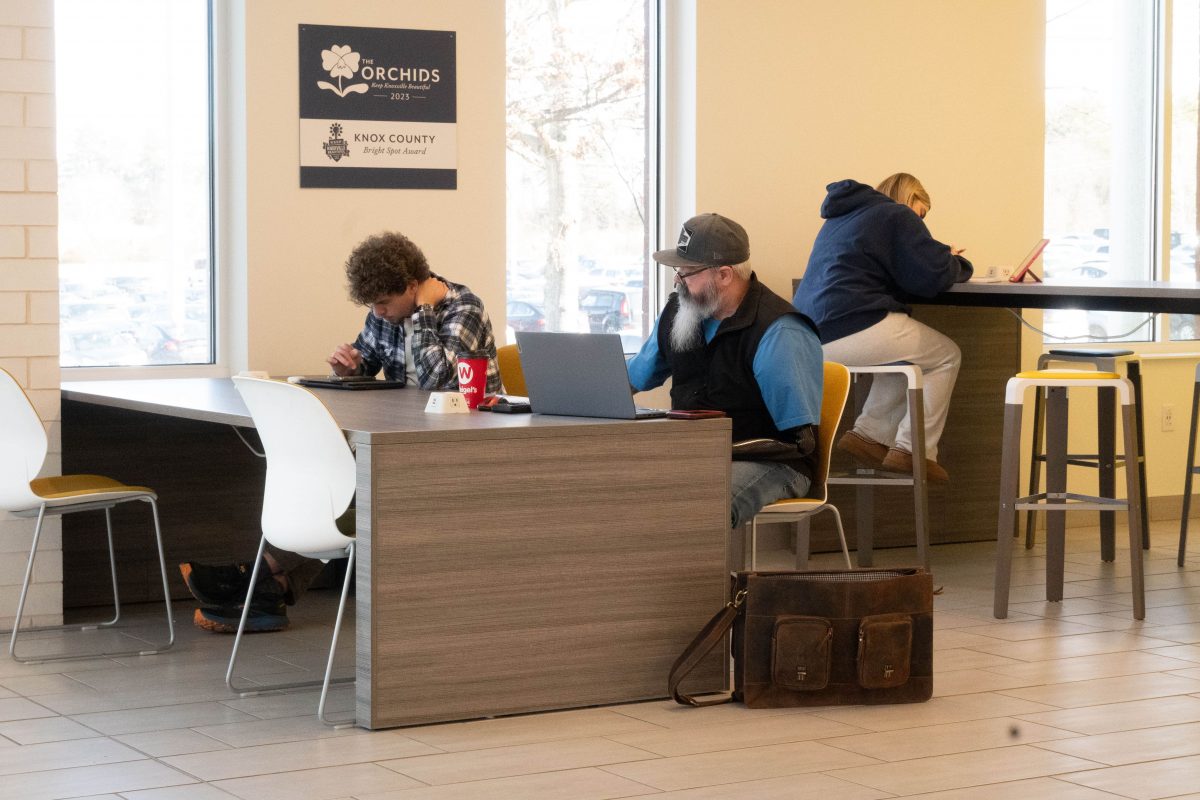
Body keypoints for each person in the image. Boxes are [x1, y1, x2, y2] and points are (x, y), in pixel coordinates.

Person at [182, 230, 502, 632]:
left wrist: (422, 312)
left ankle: (256, 578)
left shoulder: (463, 307)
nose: (379, 313)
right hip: (406, 442)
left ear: (410, 286)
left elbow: (441, 381)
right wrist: (349, 368)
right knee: (340, 476)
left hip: (466, 446)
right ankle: (267, 587)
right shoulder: (385, 313)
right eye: (372, 305)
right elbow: (367, 361)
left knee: (357, 489)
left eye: (385, 303)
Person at [628, 213, 824, 529]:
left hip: (773, 463)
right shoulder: (682, 313)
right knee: (616, 485)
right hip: (697, 456)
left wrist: (721, 451)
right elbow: (634, 377)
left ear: (723, 275)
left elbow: (799, 441)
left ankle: (708, 580)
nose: (678, 281)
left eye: (687, 272)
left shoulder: (780, 331)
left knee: (703, 503)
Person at [793, 173, 972, 483]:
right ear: (911, 201)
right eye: (922, 214)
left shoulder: (843, 217)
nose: (922, 224)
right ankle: (913, 450)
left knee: (903, 357)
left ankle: (869, 435)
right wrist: (955, 261)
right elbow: (933, 275)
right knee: (946, 356)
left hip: (807, 334)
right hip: (849, 324)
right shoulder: (897, 214)